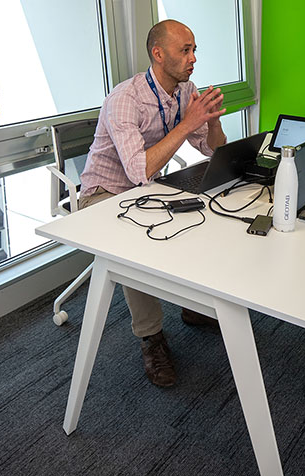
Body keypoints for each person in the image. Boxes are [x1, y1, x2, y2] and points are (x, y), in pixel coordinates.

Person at [78, 19, 227, 388]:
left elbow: (212, 150)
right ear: (158, 54)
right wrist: (187, 123)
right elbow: (138, 169)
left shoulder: (185, 90)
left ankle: (192, 305)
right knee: (136, 247)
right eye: (185, 50)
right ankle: (151, 337)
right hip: (105, 192)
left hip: (144, 188)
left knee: (202, 216)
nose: (193, 58)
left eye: (194, 50)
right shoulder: (124, 99)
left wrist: (210, 123)